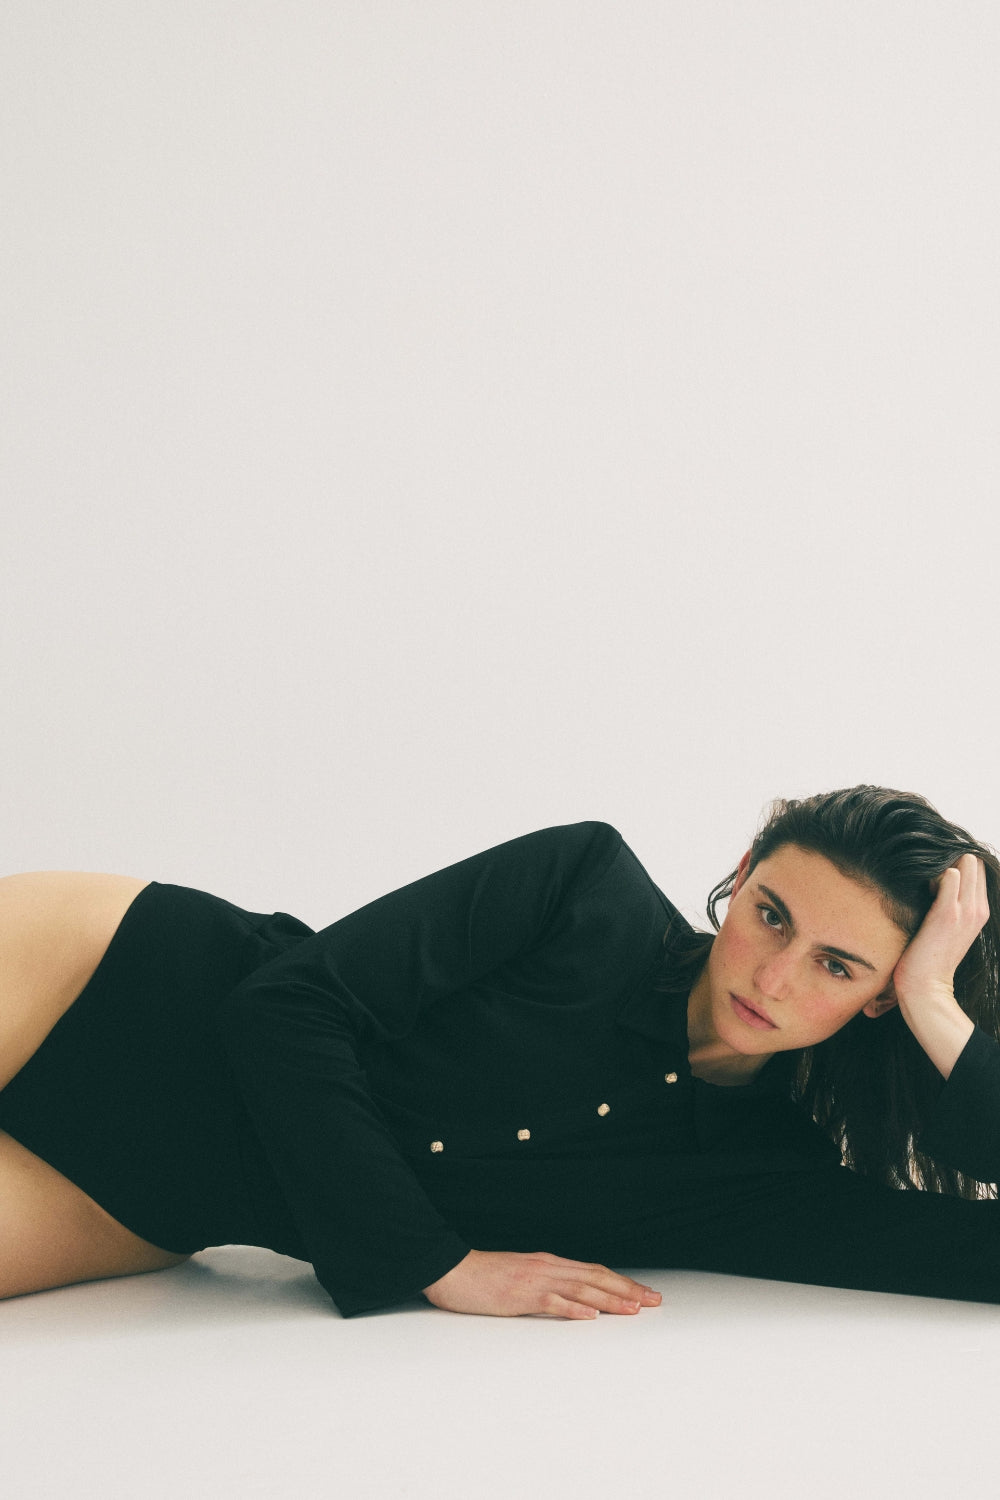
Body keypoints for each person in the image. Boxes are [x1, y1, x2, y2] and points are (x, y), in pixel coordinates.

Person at [1, 784, 999, 1319]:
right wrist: (436, 1263)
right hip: (97, 976)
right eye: (771, 914)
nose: (773, 978)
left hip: (146, 1202)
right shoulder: (585, 890)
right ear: (739, 876)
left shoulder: (756, 1174)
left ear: (880, 998)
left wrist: (938, 1008)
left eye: (836, 966)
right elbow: (284, 1009)